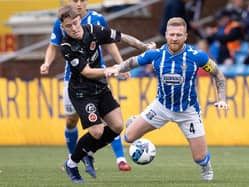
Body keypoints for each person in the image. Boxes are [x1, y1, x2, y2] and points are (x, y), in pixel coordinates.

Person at [105, 17, 229, 181]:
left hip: (188, 111)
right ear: (166, 35)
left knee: (199, 158)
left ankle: (206, 167)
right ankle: (136, 121)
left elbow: (218, 73)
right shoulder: (156, 54)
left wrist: (222, 98)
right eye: (172, 34)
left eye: (179, 35)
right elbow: (132, 62)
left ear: (185, 36)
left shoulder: (196, 56)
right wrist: (117, 68)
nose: (175, 38)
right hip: (161, 107)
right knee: (128, 137)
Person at [57, 5, 155, 183]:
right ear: (63, 27)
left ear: (80, 19)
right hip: (81, 92)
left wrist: (144, 46)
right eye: (69, 26)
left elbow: (120, 36)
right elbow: (86, 72)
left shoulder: (93, 29)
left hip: (100, 87)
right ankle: (72, 164)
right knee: (96, 131)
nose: (74, 28)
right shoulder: (66, 46)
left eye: (76, 23)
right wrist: (111, 70)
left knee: (118, 126)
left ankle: (89, 152)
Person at [40, 0, 131, 176]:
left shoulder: (97, 20)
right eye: (74, 0)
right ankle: (75, 156)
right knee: (72, 120)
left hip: (101, 76)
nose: (79, 3)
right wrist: (46, 63)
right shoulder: (62, 24)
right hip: (75, 79)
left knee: (110, 123)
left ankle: (118, 158)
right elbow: (53, 46)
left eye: (81, 0)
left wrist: (121, 65)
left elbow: (110, 41)